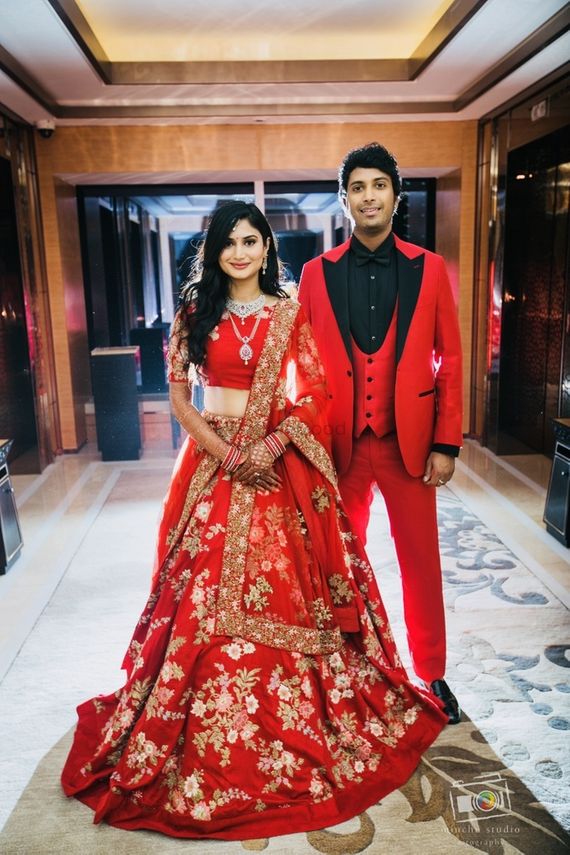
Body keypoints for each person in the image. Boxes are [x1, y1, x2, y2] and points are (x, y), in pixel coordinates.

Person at [61, 201, 447, 841]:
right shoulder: (194, 313)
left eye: (251, 241)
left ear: (267, 249)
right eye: (228, 242)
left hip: (276, 461)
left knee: (292, 585)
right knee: (199, 592)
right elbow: (179, 398)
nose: (239, 252)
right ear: (213, 251)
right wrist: (229, 454)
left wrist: (267, 447)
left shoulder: (289, 315)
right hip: (212, 459)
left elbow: (316, 392)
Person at [298, 143, 463, 724]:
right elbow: (306, 364)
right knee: (338, 566)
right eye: (358, 187)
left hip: (409, 446)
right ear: (344, 201)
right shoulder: (315, 275)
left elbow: (450, 359)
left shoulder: (431, 268)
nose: (369, 196)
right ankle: (346, 671)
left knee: (422, 562)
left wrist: (446, 443)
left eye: (379, 185)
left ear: (396, 194)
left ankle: (433, 672)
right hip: (338, 448)